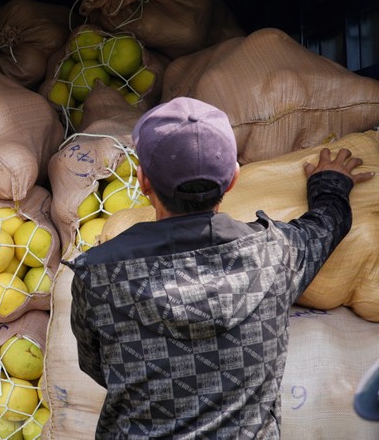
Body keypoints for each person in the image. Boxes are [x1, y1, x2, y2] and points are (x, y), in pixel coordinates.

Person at [64, 97, 375, 439]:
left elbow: (96, 366)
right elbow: (328, 224)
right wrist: (330, 183)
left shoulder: (96, 276)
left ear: (143, 182)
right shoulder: (274, 256)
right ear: (233, 179)